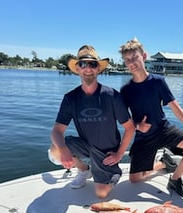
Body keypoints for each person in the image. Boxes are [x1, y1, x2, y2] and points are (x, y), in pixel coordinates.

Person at [119, 39, 183, 198]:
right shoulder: (126, 90)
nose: (131, 62)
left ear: (144, 56)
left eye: (134, 57)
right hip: (143, 138)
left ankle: (175, 179)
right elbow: (123, 119)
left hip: (163, 130)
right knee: (134, 180)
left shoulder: (158, 81)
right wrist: (137, 125)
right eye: (127, 60)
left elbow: (176, 108)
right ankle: (164, 163)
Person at [49, 45, 135, 198]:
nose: (88, 68)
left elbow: (129, 128)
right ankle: (84, 169)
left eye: (92, 64)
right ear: (77, 68)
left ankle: (115, 173)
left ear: (98, 69)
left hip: (106, 152)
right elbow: (57, 130)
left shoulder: (112, 96)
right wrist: (63, 150)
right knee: (55, 150)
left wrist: (119, 154)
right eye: (83, 64)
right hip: (85, 145)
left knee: (101, 194)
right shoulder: (70, 98)